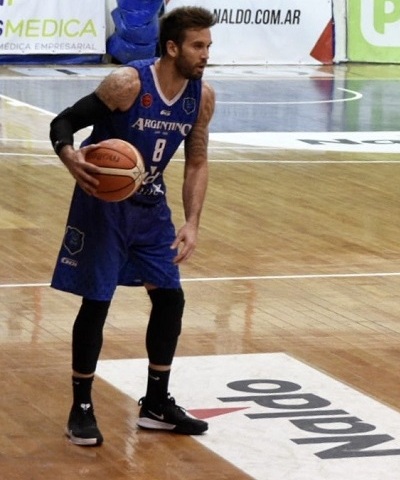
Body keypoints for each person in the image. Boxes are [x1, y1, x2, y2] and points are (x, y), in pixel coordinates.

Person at [49, 6, 217, 447]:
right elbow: (62, 122)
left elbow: (196, 161)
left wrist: (192, 223)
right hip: (102, 203)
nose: (205, 55)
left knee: (170, 298)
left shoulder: (202, 96)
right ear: (172, 47)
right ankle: (80, 407)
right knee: (97, 301)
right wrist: (70, 157)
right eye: (198, 46)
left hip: (151, 203)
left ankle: (156, 404)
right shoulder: (127, 83)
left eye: (209, 46)